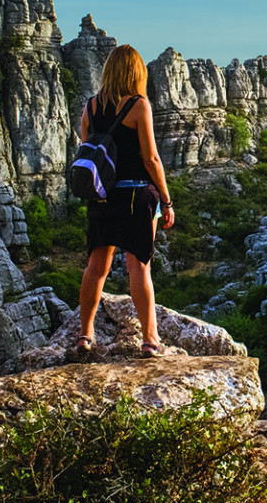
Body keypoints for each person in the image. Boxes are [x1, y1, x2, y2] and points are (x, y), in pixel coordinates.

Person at [75, 44, 175, 358]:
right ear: (137, 72)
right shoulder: (138, 106)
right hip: (136, 197)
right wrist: (167, 201)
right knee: (139, 268)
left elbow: (88, 151)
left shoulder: (90, 107)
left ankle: (85, 335)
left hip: (102, 197)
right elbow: (151, 159)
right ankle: (149, 340)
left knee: (96, 267)